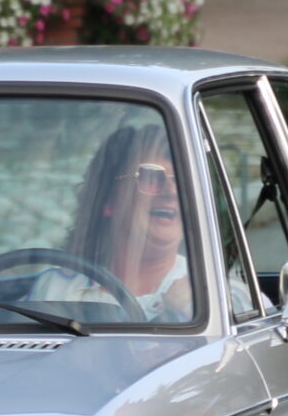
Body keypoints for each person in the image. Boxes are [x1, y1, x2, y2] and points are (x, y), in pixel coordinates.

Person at [36, 122, 196, 321]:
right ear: (108, 200)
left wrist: (182, 311)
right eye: (151, 176)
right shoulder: (55, 288)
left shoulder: (216, 298)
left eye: (181, 180)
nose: (172, 192)